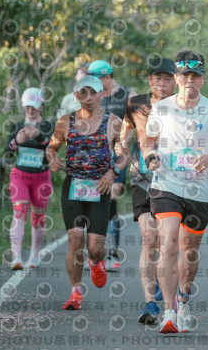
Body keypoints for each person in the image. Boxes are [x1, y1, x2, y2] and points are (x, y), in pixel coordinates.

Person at [142, 50, 208, 333]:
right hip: (166, 184)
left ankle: (183, 299)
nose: (190, 80)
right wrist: (150, 156)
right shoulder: (162, 108)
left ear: (202, 79)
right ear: (177, 78)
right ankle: (168, 312)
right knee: (167, 244)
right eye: (185, 75)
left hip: (200, 190)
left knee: (189, 252)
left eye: (195, 75)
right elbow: (148, 140)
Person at [46, 75, 126, 310]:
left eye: (93, 93)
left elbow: (122, 155)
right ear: (76, 95)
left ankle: (96, 261)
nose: (88, 98)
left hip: (100, 188)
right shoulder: (65, 122)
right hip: (74, 186)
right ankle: (75, 292)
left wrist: (112, 173)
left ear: (102, 94)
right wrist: (52, 158)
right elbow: (52, 147)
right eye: (83, 93)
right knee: (75, 239)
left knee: (95, 248)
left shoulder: (113, 122)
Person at [115, 57, 177, 325]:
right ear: (149, 80)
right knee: (149, 238)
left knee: (167, 242)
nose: (162, 83)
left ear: (175, 81)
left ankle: (167, 287)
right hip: (142, 179)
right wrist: (120, 147)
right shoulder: (135, 104)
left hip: (173, 181)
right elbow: (124, 135)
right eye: (157, 78)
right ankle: (150, 301)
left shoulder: (182, 106)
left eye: (167, 78)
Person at [87, 59, 137, 271]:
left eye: (97, 79)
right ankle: (97, 252)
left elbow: (135, 123)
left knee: (112, 198)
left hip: (118, 156)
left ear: (107, 77)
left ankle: (113, 254)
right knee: (96, 202)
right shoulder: (94, 96)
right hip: (97, 157)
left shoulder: (126, 95)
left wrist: (125, 142)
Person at [4, 87, 55, 269]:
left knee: (38, 217)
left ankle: (35, 255)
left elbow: (51, 149)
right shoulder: (16, 126)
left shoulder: (48, 126)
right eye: (27, 106)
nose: (30, 110)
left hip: (41, 177)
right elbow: (7, 154)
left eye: (34, 106)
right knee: (19, 212)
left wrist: (38, 137)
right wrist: (16, 142)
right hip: (20, 176)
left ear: (41, 106)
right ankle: (16, 257)